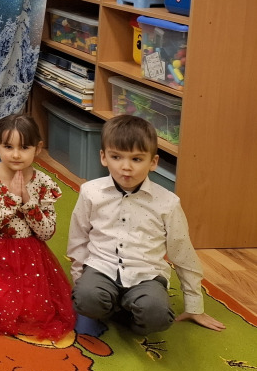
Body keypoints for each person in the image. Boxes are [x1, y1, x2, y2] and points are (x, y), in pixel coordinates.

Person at [67, 115, 225, 335]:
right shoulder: (90, 192)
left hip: (146, 275)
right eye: (116, 157)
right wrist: (79, 280)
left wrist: (194, 305)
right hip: (101, 267)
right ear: (103, 157)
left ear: (153, 162)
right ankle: (109, 304)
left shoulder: (168, 203)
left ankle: (125, 312)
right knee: (86, 298)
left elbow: (183, 254)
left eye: (137, 159)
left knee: (157, 316)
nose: (126, 167)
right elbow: (79, 238)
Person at [0, 114, 75, 340]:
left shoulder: (43, 183)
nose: (15, 154)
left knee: (36, 311)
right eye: (8, 146)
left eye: (24, 147)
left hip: (30, 257)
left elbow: (47, 232)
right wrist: (12, 200)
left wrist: (28, 202)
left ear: (38, 148)